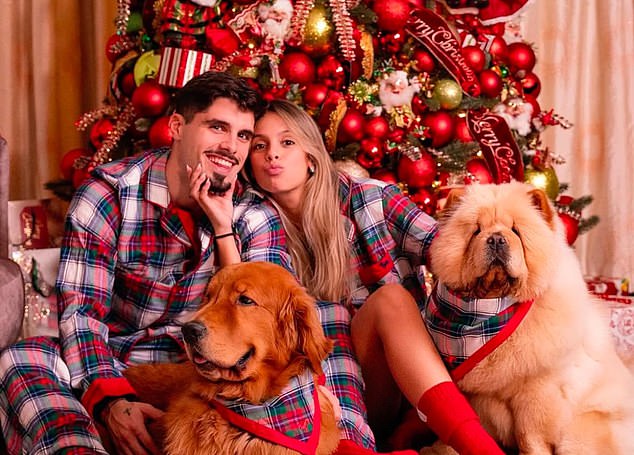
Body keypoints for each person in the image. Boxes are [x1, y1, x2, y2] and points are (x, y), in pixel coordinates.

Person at [189, 99, 506, 454]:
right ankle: (346, 446)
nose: (272, 155)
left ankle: (478, 448)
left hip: (405, 382)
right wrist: (221, 227)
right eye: (260, 146)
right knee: (317, 319)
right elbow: (241, 302)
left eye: (287, 142)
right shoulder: (251, 218)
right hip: (311, 397)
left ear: (310, 156)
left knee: (387, 299)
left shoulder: (370, 199)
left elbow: (452, 253)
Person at [0, 71, 265, 455]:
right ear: (176, 126)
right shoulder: (108, 193)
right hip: (115, 363)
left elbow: (261, 326)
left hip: (205, 375)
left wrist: (223, 228)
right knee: (22, 358)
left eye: (243, 135)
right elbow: (83, 314)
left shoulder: (253, 212)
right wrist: (111, 402)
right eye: (217, 127)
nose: (231, 147)